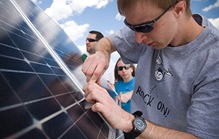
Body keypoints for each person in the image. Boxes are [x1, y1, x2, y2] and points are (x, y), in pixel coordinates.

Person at [82, 0, 219, 139]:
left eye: (146, 27)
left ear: (178, 9)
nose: (138, 39)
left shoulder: (213, 61)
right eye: (131, 27)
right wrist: (102, 53)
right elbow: (108, 42)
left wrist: (128, 121)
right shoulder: (144, 23)